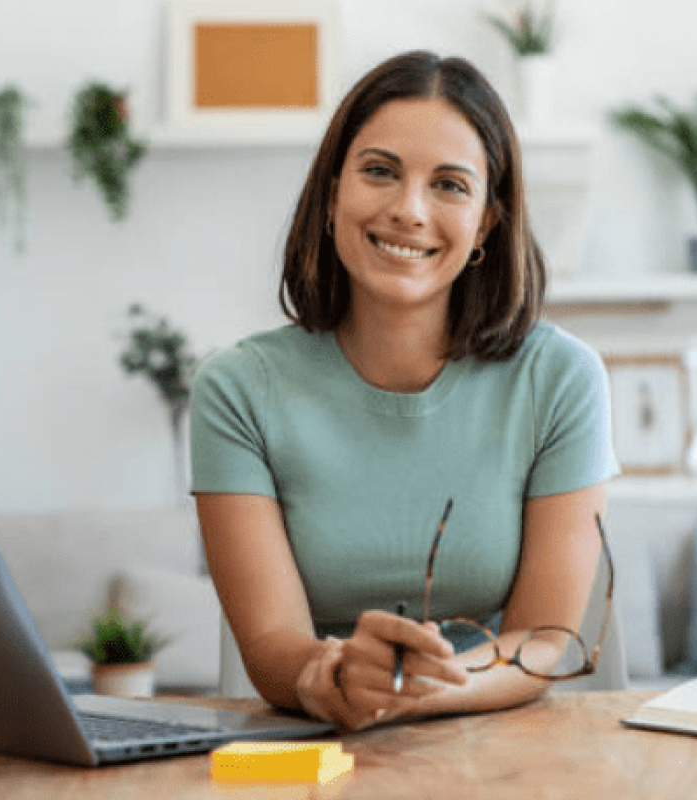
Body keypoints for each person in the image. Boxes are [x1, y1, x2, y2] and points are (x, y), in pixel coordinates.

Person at [191, 50, 619, 732]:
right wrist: (331, 679)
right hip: (317, 745)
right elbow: (271, 649)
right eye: (380, 171)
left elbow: (545, 640)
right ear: (333, 192)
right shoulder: (237, 391)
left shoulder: (562, 379)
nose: (409, 210)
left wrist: (418, 689)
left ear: (485, 224)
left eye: (449, 185)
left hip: (499, 751)